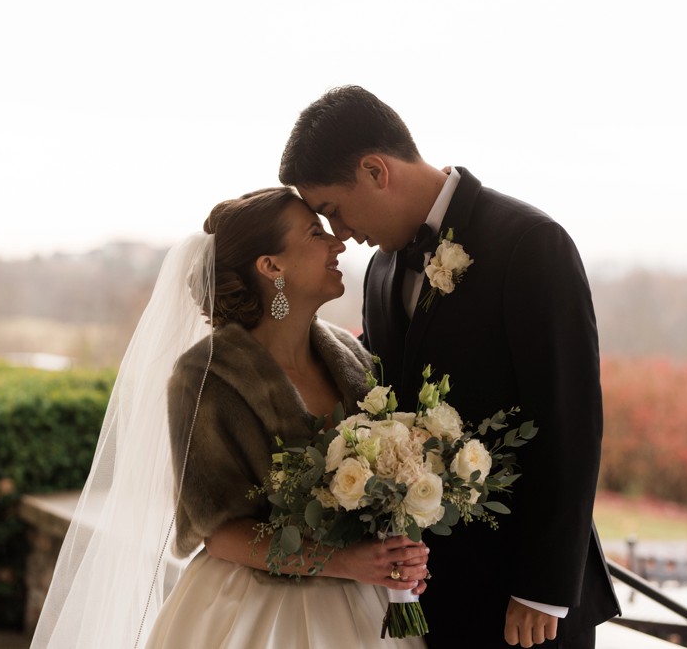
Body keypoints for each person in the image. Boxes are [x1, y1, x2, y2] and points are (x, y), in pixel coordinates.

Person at [279, 86, 621, 648]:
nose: (340, 234)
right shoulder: (383, 270)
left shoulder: (531, 243)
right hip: (430, 587)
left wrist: (542, 587)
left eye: (334, 211)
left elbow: (571, 421)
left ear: (374, 170)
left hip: (526, 600)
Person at [31, 186, 430, 649]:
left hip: (367, 606)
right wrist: (344, 562)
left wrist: (397, 548)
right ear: (271, 266)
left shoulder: (352, 356)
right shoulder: (205, 376)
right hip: (252, 612)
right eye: (314, 233)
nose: (337, 242)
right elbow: (220, 533)